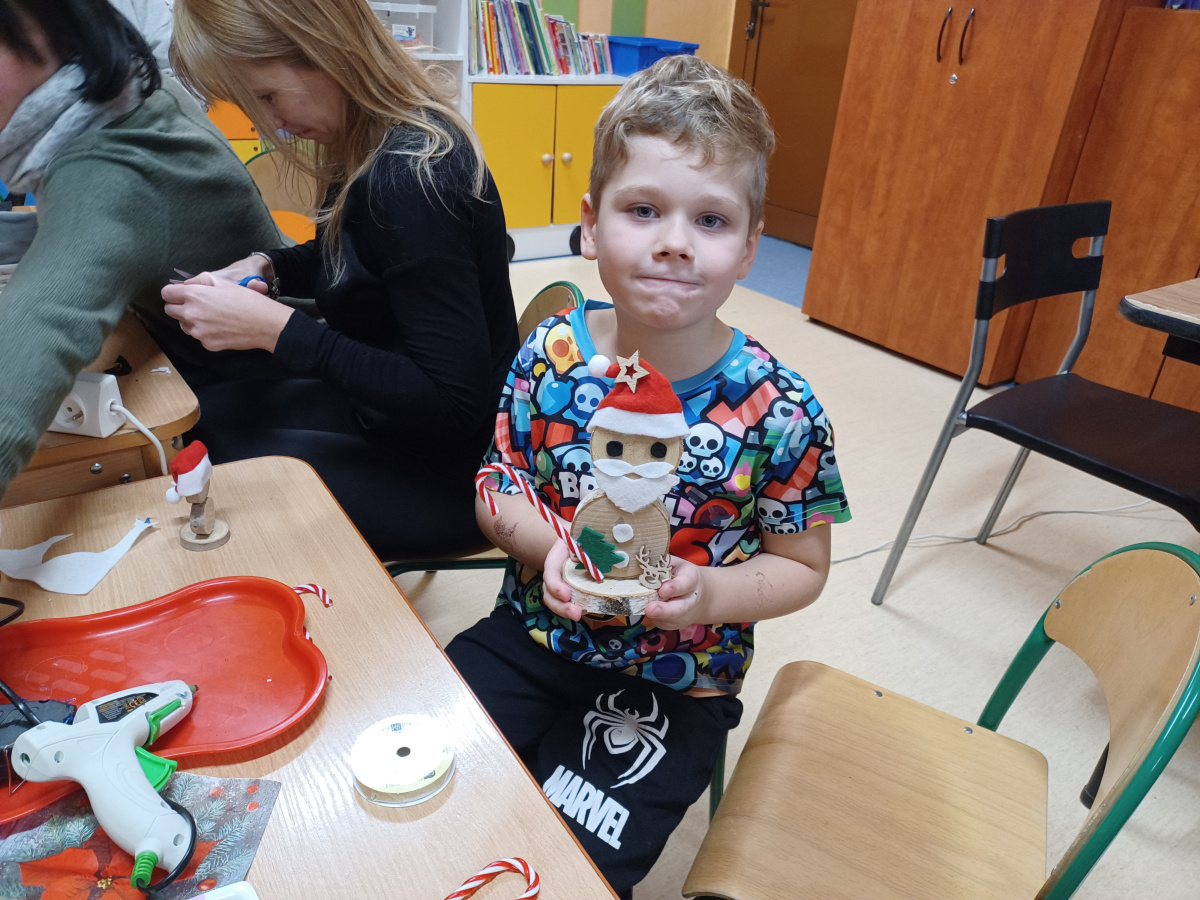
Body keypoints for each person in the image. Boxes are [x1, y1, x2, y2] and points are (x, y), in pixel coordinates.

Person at [447, 55, 852, 897]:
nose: (673, 240)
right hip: (531, 635)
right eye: (643, 210)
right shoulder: (550, 355)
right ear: (590, 226)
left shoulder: (781, 411)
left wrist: (708, 594)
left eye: (711, 219)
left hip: (675, 680)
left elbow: (803, 566)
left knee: (565, 869)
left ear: (750, 247)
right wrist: (547, 550)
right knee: (426, 782)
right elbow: (497, 486)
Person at [163, 0, 519, 562]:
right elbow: (358, 253)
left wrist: (278, 331)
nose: (270, 122)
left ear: (324, 54)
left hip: (452, 474)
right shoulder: (372, 142)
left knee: (223, 472)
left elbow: (454, 402)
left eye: (267, 97)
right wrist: (270, 266)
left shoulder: (412, 176)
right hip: (390, 420)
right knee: (207, 416)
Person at [0, 0, 283, 499]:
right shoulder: (132, 93)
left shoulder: (108, 173)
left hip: (267, 395)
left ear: (45, 28)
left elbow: (20, 371)